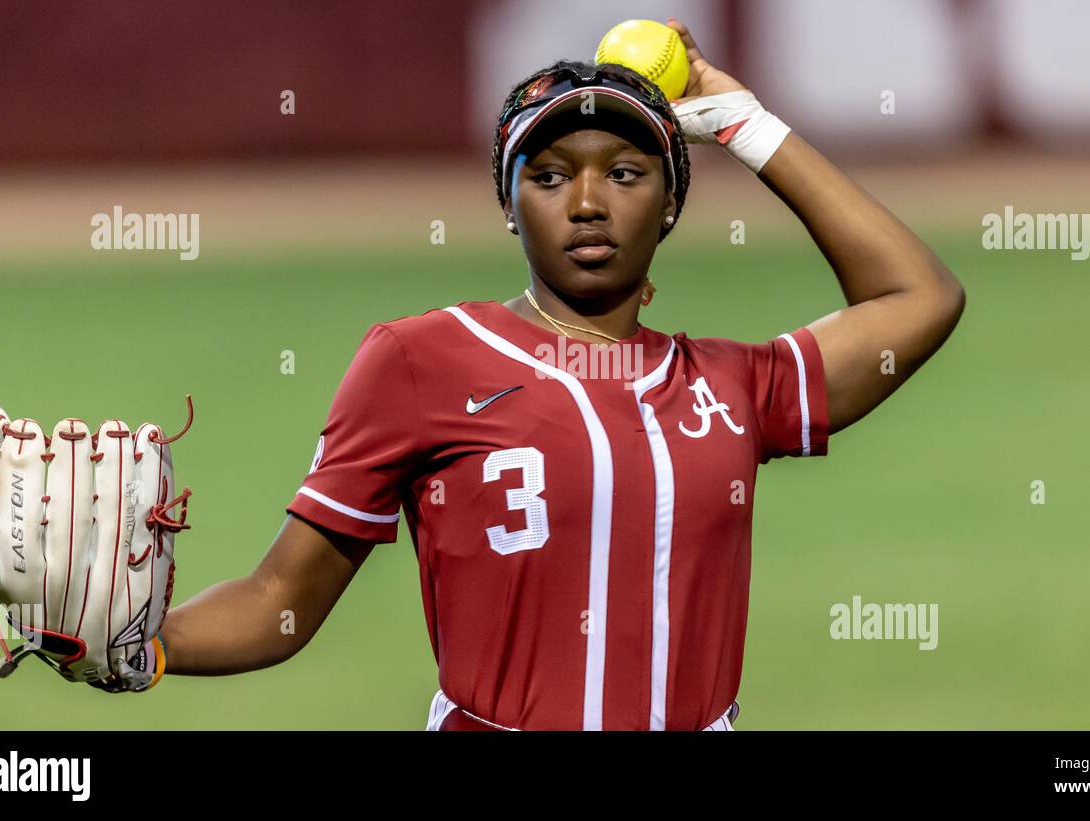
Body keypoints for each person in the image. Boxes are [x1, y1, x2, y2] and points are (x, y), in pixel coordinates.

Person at [158, 19, 965, 730]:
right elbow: (278, 602)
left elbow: (920, 296)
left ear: (671, 203)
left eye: (625, 172)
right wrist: (142, 647)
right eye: (548, 176)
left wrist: (744, 125)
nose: (586, 202)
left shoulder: (731, 384)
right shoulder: (420, 361)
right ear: (508, 202)